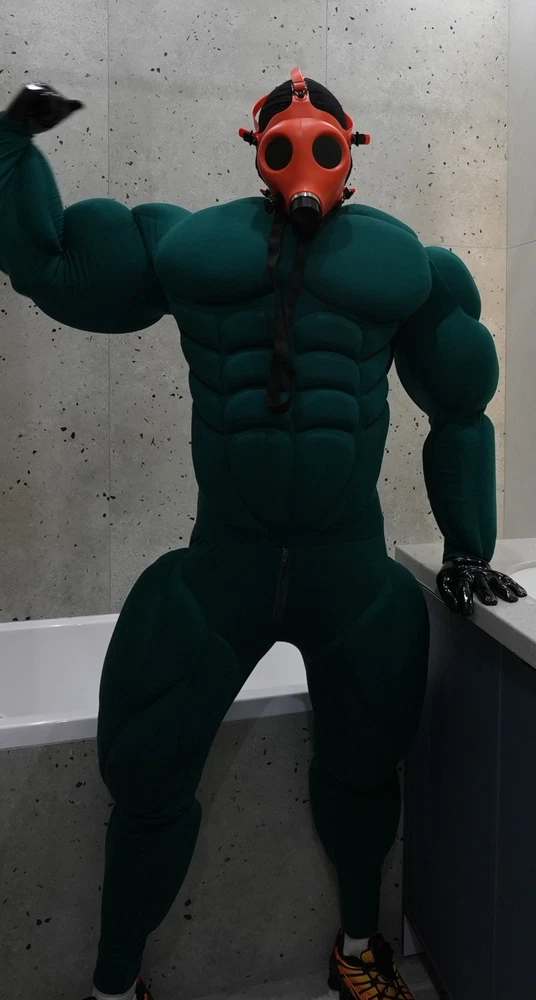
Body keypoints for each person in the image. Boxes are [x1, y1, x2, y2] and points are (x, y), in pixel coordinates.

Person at [0, 70, 526, 1000]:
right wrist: (12, 145)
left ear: (351, 147)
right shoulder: (189, 248)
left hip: (350, 578)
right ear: (258, 146)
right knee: (146, 776)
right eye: (285, 135)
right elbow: (50, 267)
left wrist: (467, 547)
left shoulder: (408, 267)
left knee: (365, 775)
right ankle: (114, 986)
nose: (303, 145)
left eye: (323, 136)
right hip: (222, 572)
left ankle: (358, 948)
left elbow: (461, 412)